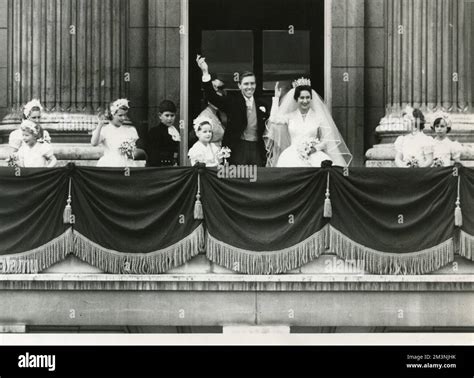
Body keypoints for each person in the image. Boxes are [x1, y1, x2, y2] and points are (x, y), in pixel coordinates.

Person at [196, 55, 268, 166]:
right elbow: (212, 97)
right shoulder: (233, 102)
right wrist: (205, 72)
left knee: (256, 180)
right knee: (238, 180)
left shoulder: (262, 105)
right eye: (246, 84)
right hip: (238, 148)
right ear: (239, 86)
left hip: (257, 149)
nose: (249, 87)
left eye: (252, 83)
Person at [265, 78, 352, 167]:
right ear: (296, 99)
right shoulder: (290, 116)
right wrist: (276, 99)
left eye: (307, 97)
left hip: (314, 155)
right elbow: (273, 119)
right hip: (292, 155)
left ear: (311, 99)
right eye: (302, 98)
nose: (305, 101)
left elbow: (326, 140)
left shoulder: (318, 117)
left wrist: (314, 148)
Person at [91, 98, 139, 167]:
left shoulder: (130, 130)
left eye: (125, 115)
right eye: (120, 115)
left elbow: (135, 150)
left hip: (127, 164)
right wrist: (100, 125)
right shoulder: (105, 130)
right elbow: (94, 143)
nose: (123, 118)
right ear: (112, 115)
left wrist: (130, 153)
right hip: (110, 163)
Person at [191, 74, 227, 147]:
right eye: (215, 99)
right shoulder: (204, 116)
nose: (217, 102)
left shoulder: (221, 114)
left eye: (219, 100)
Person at [146, 100, 181, 167]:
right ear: (160, 116)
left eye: (172, 115)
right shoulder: (155, 132)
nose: (170, 118)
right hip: (161, 168)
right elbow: (153, 156)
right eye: (167, 115)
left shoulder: (175, 131)